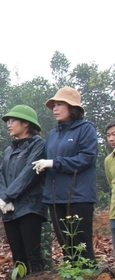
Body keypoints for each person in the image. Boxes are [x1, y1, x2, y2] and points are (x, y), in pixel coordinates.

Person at [33, 87, 98, 264]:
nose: (55, 108)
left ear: (73, 107)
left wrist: (55, 163)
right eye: (54, 105)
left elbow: (86, 159)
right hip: (55, 197)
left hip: (78, 196)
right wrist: (43, 166)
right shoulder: (53, 134)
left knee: (81, 245)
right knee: (66, 246)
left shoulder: (86, 129)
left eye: (60, 104)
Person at [0, 105, 47, 275]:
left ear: (25, 123)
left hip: (30, 207)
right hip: (10, 209)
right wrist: (2, 198)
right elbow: (1, 174)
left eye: (12, 121)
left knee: (33, 254)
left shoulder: (38, 145)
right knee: (18, 256)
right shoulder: (9, 150)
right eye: (8, 121)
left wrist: (8, 196)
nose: (8, 124)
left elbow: (29, 174)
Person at [105, 121, 115, 256]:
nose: (111, 139)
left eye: (114, 134)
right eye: (108, 135)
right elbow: (111, 183)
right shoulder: (109, 160)